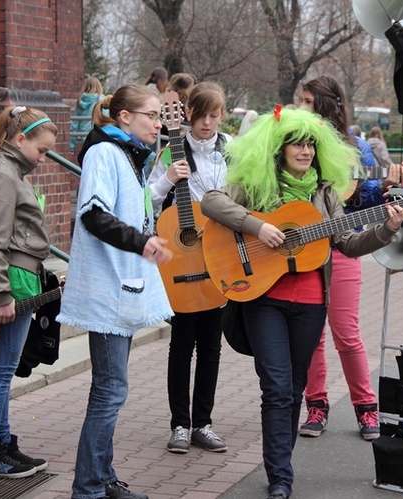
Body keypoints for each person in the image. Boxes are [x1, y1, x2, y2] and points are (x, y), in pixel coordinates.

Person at [201, 107, 403, 499]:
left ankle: (281, 465)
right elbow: (212, 202)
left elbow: (348, 242)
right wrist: (257, 225)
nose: (306, 151)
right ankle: (281, 477)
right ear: (279, 149)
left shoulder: (326, 192)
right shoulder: (258, 185)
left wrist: (387, 227)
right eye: (298, 143)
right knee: (276, 387)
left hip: (312, 302)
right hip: (265, 299)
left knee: (295, 388)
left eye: (311, 144)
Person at [57, 85, 175, 499]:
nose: (158, 123)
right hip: (106, 288)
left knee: (110, 390)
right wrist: (142, 242)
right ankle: (88, 488)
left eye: (160, 116)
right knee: (109, 391)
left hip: (121, 286)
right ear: (124, 117)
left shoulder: (127, 154)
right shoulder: (103, 153)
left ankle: (103, 480)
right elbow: (93, 215)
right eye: (152, 115)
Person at [297, 76, 403, 441]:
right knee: (311, 336)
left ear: (327, 104)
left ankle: (366, 408)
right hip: (300, 252)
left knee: (346, 334)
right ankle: (316, 404)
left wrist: (384, 186)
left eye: (308, 101)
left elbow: (369, 203)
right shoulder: (293, 144)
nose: (302, 107)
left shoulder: (357, 147)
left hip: (340, 247)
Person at [0, 105, 57, 478]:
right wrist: (2, 294)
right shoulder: (4, 175)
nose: (43, 158)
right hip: (11, 279)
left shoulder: (8, 171)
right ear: (21, 139)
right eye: (41, 150)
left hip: (19, 277)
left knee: (3, 370)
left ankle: (1, 444)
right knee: (1, 371)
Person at [149, 81, 231, 454]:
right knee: (182, 346)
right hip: (183, 260)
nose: (209, 123)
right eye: (202, 115)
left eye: (215, 115)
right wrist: (168, 178)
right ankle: (180, 424)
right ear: (187, 114)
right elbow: (145, 201)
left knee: (212, 347)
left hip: (218, 255)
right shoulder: (171, 150)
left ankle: (205, 422)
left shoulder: (230, 150)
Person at [70, 76, 104, 153]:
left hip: (84, 134)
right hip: (97, 133)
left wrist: (72, 146)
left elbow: (74, 124)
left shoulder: (80, 100)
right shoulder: (101, 100)